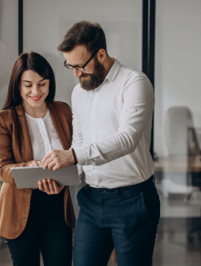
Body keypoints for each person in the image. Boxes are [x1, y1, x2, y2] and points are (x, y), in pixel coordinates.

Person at [39, 21, 160, 266]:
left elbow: (127, 139)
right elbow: (80, 140)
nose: (75, 74)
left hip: (133, 199)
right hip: (92, 201)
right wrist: (62, 175)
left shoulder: (135, 83)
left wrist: (72, 156)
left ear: (101, 54)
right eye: (69, 66)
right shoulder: (79, 92)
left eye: (80, 66)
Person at [0, 52, 75, 266]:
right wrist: (29, 166)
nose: (36, 91)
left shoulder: (63, 111)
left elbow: (76, 154)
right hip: (19, 210)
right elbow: (2, 171)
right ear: (17, 86)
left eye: (42, 84)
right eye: (28, 85)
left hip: (57, 207)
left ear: (50, 83)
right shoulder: (4, 119)